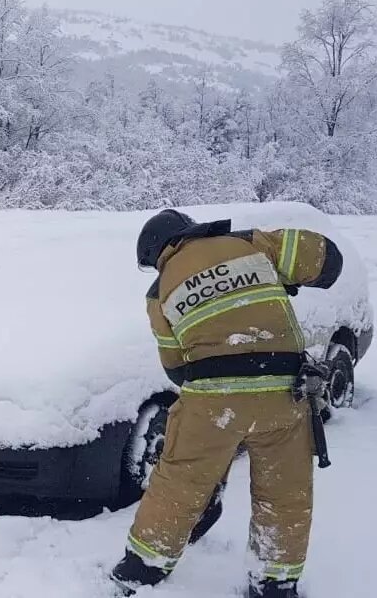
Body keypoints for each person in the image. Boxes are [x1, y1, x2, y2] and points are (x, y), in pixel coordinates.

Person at [110, 209, 343, 598]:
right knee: (284, 493)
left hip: (212, 401)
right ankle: (275, 581)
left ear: (159, 252)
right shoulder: (250, 243)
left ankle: (141, 569)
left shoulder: (159, 292)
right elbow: (327, 260)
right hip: (283, 393)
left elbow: (175, 367)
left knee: (178, 483)